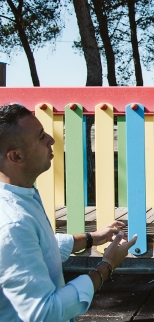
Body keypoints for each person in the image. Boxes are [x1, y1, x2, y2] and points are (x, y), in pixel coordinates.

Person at [0, 103, 138, 322]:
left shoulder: (21, 197)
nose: (51, 140)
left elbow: (38, 247)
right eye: (40, 136)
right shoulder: (13, 223)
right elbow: (45, 313)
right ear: (16, 156)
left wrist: (93, 238)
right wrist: (107, 266)